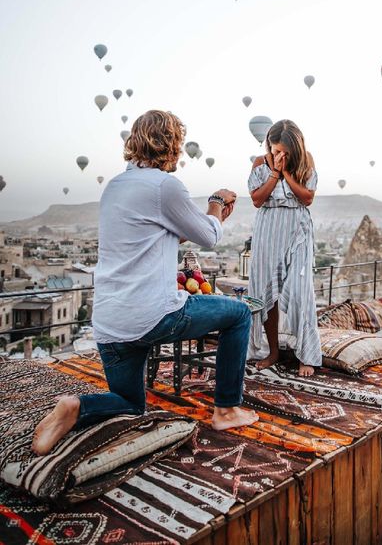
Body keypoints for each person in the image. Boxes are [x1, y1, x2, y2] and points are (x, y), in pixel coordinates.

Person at [32, 110, 258, 455]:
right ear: (172, 144)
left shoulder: (114, 187)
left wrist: (202, 220)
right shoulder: (164, 185)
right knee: (239, 314)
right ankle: (227, 409)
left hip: (110, 321)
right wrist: (215, 205)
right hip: (153, 315)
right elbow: (210, 236)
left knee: (129, 402)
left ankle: (76, 406)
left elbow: (156, 237)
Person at [247, 119, 322, 376]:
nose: (278, 155)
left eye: (284, 152)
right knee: (267, 289)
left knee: (301, 289)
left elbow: (307, 197)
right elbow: (257, 200)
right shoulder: (260, 163)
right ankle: (272, 351)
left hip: (297, 229)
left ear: (295, 148)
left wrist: (287, 173)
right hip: (269, 228)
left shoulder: (305, 161)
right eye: (275, 149)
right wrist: (274, 173)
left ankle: (306, 354)